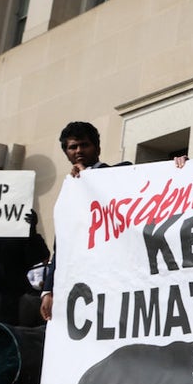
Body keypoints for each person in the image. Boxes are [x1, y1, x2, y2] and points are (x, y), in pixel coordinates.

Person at [40, 121, 129, 321]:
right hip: (76, 284)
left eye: (84, 145)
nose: (78, 150)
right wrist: (48, 290)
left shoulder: (119, 172)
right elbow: (61, 245)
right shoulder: (69, 189)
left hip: (111, 277)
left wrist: (89, 177)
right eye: (73, 147)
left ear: (97, 148)